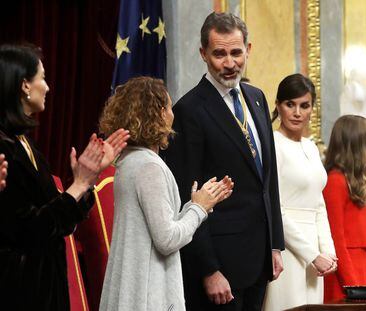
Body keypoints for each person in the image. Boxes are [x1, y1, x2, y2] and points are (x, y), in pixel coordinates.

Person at [165, 12, 284, 311]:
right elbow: (185, 197)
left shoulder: (256, 98)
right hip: (221, 268)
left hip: (259, 261)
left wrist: (274, 244)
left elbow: (268, 181)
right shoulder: (189, 110)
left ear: (248, 50)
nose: (230, 63)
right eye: (219, 54)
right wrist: (208, 270)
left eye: (236, 52)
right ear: (203, 53)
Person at [0, 44, 129, 310]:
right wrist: (79, 183)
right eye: (42, 78)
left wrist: (86, 183)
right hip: (20, 292)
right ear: (25, 85)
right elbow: (31, 230)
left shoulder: (24, 142)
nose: (47, 87)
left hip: (44, 288)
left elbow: (61, 222)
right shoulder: (5, 149)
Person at [98, 76, 234, 311]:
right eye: (170, 107)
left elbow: (155, 228)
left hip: (138, 285)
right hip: (149, 294)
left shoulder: (130, 160)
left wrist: (197, 205)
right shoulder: (150, 167)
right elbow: (167, 239)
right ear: (160, 113)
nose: (173, 114)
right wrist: (198, 209)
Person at [263, 73, 337, 311]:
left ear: (311, 109)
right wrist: (312, 253)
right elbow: (276, 208)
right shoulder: (273, 144)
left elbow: (319, 205)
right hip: (286, 250)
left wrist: (328, 252)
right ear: (278, 106)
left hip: (316, 257)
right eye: (290, 104)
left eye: (304, 106)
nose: (297, 112)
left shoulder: (311, 147)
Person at [323, 115, 366, 302]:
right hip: (346, 273)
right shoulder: (335, 181)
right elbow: (337, 240)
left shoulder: (354, 180)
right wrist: (353, 286)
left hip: (361, 264)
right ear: (354, 145)